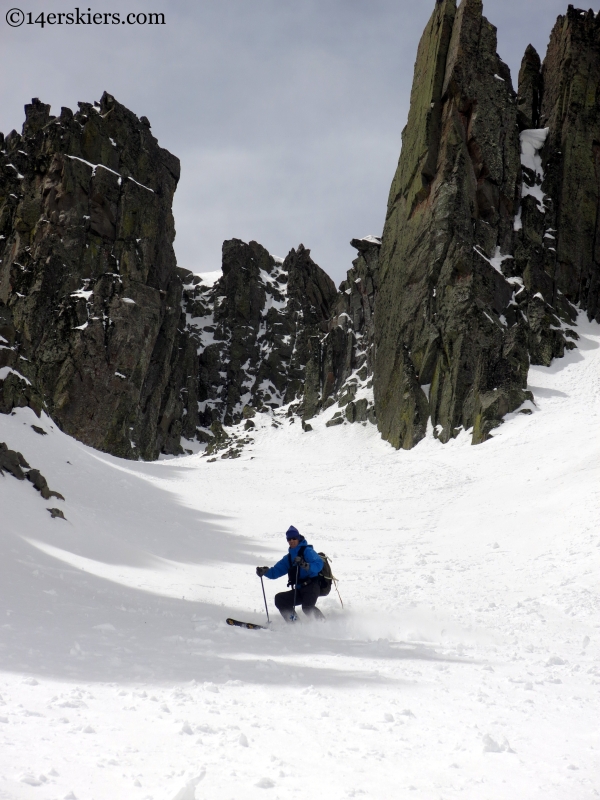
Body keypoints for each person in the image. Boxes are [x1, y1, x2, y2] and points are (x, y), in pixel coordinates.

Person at [256, 525, 325, 621]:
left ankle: (323, 624)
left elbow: (319, 564)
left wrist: (305, 565)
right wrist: (265, 572)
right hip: (300, 589)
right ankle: (295, 624)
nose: (291, 541)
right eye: (289, 539)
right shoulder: (289, 558)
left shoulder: (307, 551)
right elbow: (276, 571)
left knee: (307, 607)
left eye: (294, 538)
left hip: (312, 586)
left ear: (298, 538)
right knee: (280, 599)